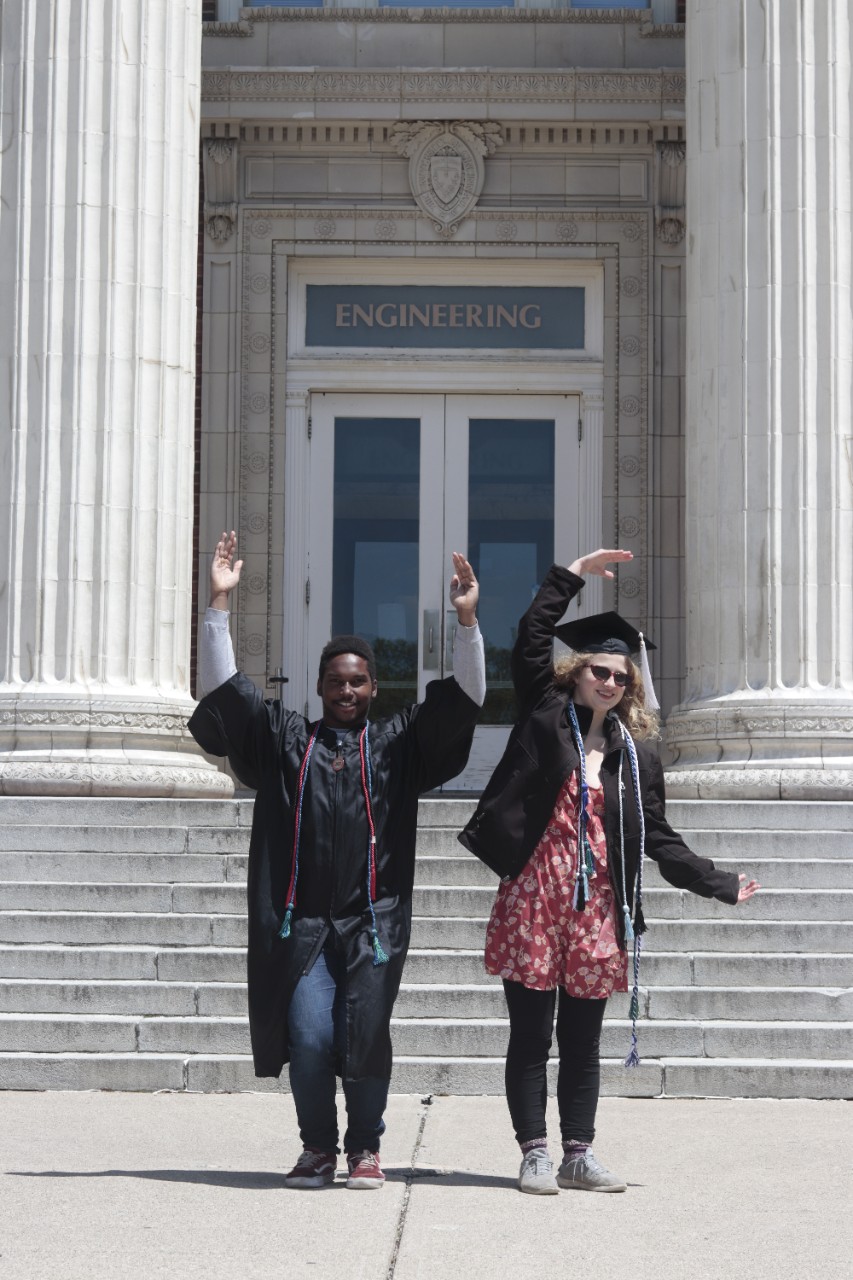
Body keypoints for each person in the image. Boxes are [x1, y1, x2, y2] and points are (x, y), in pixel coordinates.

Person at [458, 550, 759, 1196]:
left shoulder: (636, 755)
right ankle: (534, 1151)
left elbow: (657, 838)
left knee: (582, 1040)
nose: (610, 683)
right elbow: (529, 638)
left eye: (620, 677)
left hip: (598, 911)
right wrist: (568, 576)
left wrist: (718, 881)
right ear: (575, 672)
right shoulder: (544, 715)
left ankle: (577, 1152)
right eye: (599, 671)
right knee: (532, 1036)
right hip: (535, 901)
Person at [189, 532, 485, 1190]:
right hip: (301, 925)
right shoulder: (287, 741)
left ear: (373, 687)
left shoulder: (396, 745)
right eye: (335, 682)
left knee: (365, 1038)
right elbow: (226, 700)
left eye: (356, 682)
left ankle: (365, 1149)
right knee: (312, 1038)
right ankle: (317, 1147)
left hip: (372, 922)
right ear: (320, 687)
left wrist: (465, 622)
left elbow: (462, 703)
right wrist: (217, 605)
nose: (346, 690)